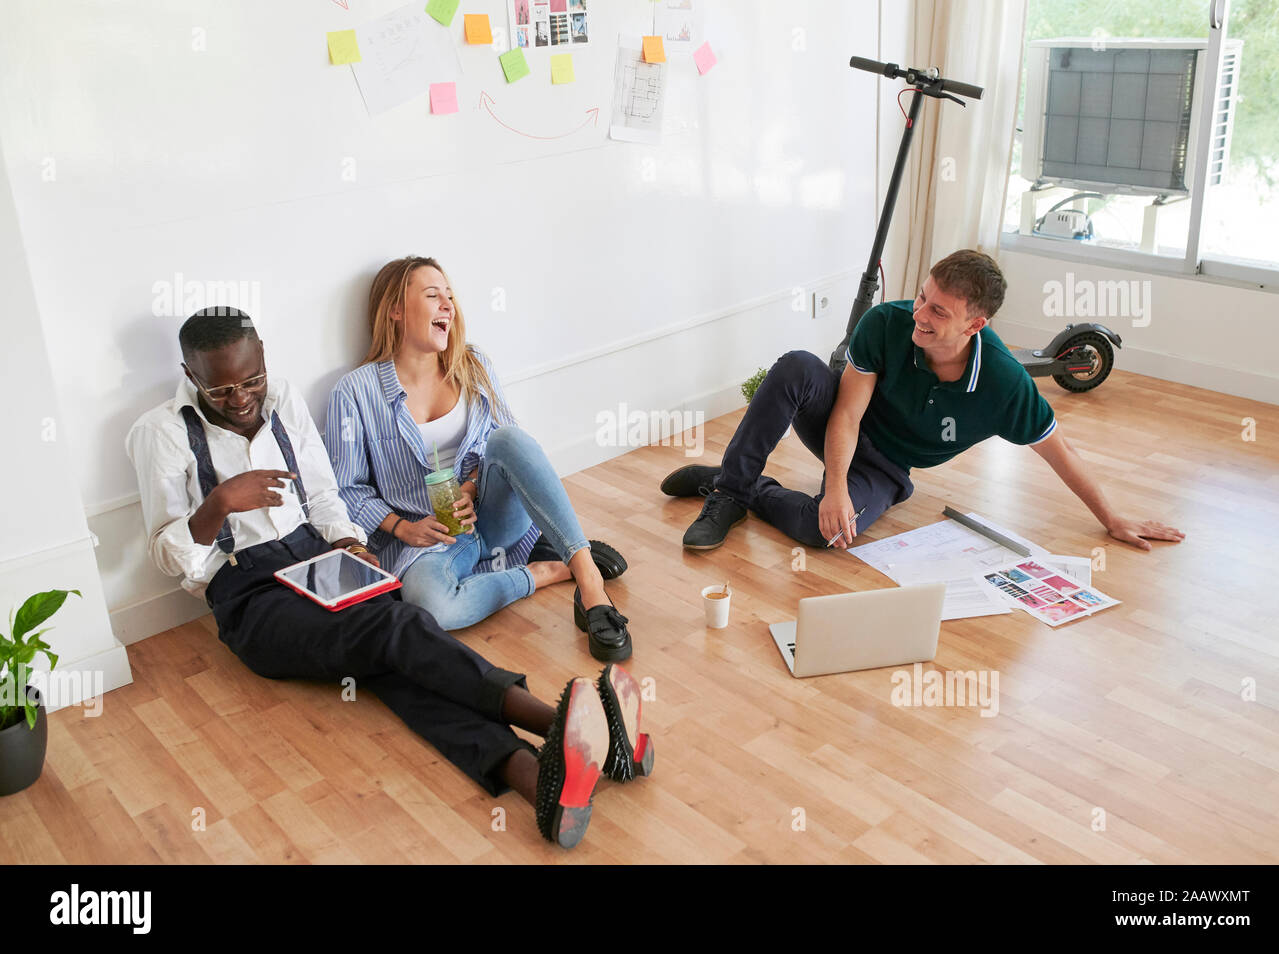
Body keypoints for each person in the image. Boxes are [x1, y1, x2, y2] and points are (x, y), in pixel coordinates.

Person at [125, 307, 653, 849]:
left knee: (398, 665)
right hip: (248, 592)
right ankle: (561, 723)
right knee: (394, 633)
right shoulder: (161, 433)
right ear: (191, 377)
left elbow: (325, 496)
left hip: (319, 557)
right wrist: (218, 504)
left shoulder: (282, 399)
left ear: (263, 356)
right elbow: (171, 558)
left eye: (251, 379)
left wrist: (350, 543)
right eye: (221, 389)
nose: (240, 398)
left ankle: (536, 781)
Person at [663, 249, 1186, 553]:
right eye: (921, 297)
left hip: (889, 469)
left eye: (938, 311)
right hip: (846, 427)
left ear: (975, 325)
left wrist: (1112, 517)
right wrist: (835, 485)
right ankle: (728, 493)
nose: (919, 314)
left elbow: (1060, 450)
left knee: (820, 534)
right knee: (800, 365)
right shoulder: (886, 323)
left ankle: (743, 485)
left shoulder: (1004, 384)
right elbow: (845, 412)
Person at [324, 256, 634, 661]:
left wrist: (470, 486)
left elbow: (501, 448)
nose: (448, 306)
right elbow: (347, 487)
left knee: (510, 438)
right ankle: (550, 569)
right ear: (396, 310)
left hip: (494, 515)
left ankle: (590, 583)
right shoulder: (354, 392)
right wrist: (403, 529)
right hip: (434, 541)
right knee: (429, 605)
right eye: (433, 295)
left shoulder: (472, 364)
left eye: (449, 296)